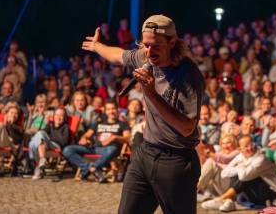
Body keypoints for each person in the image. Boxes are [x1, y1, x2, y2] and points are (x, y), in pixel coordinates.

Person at [82, 14, 205, 213]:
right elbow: (118, 55)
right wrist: (97, 46)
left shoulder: (188, 75)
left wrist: (152, 94)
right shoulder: (144, 56)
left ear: (172, 42)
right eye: (145, 45)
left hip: (175, 160)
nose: (148, 51)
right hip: (146, 153)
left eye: (155, 45)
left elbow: (186, 127)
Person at [29, 107, 70, 180]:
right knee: (39, 137)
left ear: (64, 117)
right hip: (46, 144)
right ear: (54, 116)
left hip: (56, 146)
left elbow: (64, 141)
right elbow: (42, 135)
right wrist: (46, 138)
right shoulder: (50, 124)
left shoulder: (65, 127)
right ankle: (41, 161)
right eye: (57, 115)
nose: (58, 117)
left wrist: (50, 137)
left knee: (35, 140)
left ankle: (38, 164)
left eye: (61, 115)